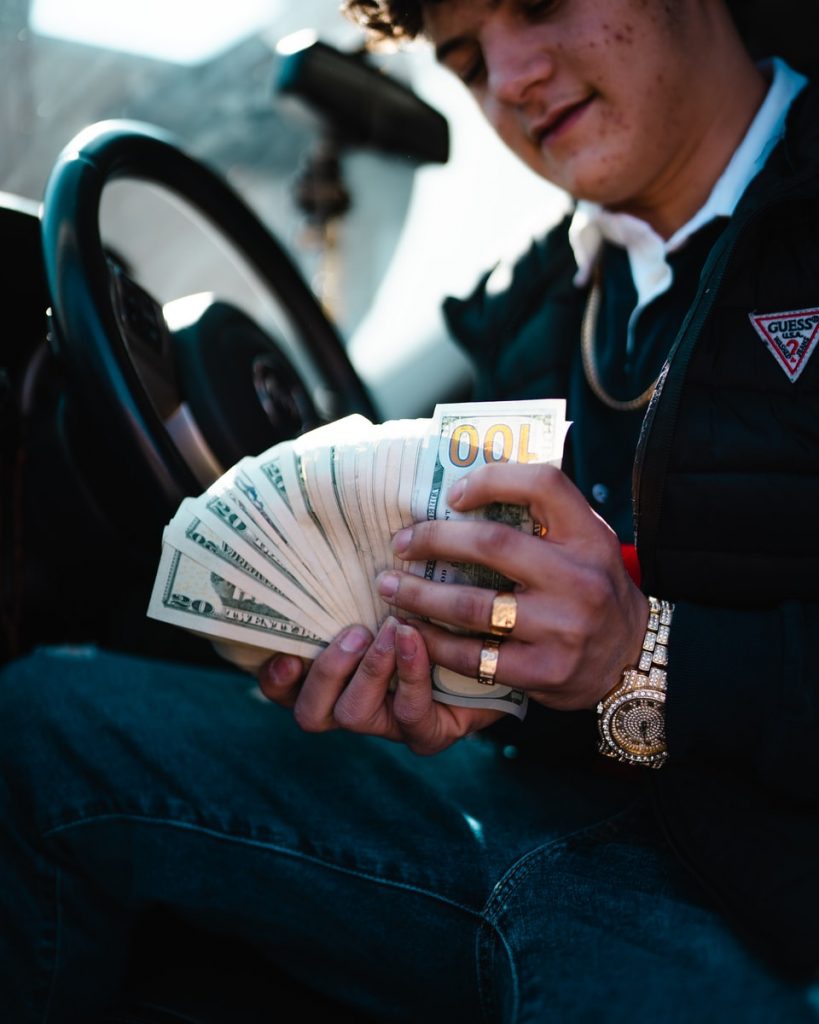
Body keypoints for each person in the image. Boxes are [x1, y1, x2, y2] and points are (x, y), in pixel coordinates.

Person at [1, 0, 818, 1020]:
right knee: (48, 723)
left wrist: (644, 661)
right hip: (523, 822)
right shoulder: (531, 314)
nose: (512, 78)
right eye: (467, 58)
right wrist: (453, 698)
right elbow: (530, 683)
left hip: (770, 905)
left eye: (542, 4)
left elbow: (636, 669)